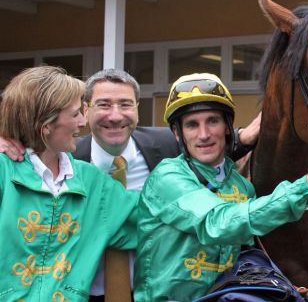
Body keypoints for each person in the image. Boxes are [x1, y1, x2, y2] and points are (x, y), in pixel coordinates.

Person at [0, 68, 260, 301]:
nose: (115, 116)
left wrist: (243, 138)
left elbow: (205, 150)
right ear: (86, 110)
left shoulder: (168, 147)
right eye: (102, 105)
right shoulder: (54, 161)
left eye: (125, 104)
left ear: (137, 107)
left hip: (151, 291)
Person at [133, 73, 308, 301]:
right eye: (192, 125)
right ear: (178, 133)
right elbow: (215, 223)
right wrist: (305, 186)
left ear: (227, 126)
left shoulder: (241, 186)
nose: (204, 134)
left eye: (213, 121)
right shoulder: (167, 177)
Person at [0, 66, 138, 301]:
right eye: (75, 114)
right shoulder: (4, 172)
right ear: (46, 125)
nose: (84, 122)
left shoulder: (93, 181)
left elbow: (155, 217)